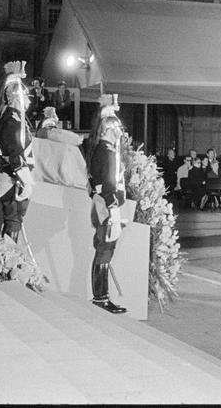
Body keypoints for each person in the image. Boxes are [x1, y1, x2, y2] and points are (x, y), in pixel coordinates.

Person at [85, 93, 127, 314]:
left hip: (102, 203)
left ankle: (101, 296)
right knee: (105, 250)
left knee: (104, 249)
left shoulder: (97, 149)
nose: (119, 134)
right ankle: (101, 297)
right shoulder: (107, 151)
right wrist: (113, 208)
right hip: (108, 205)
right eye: (117, 130)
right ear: (109, 130)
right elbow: (109, 182)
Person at [0, 61, 35, 243]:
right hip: (14, 179)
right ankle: (6, 265)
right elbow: (15, 151)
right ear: (14, 96)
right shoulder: (12, 119)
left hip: (14, 178)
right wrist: (25, 179)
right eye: (25, 95)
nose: (29, 100)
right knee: (13, 224)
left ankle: (7, 263)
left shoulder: (14, 118)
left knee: (14, 223)